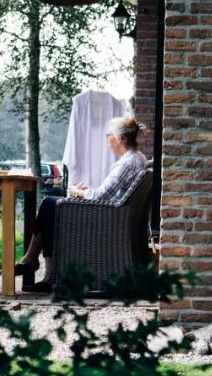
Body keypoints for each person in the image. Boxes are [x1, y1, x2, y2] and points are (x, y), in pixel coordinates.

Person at [17, 116, 151, 293]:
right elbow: (107, 193)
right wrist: (87, 191)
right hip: (117, 216)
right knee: (51, 207)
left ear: (120, 138)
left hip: (109, 220)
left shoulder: (127, 163)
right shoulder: (138, 158)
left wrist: (77, 192)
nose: (107, 140)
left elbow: (100, 195)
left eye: (108, 135)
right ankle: (36, 263)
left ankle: (38, 265)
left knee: (49, 205)